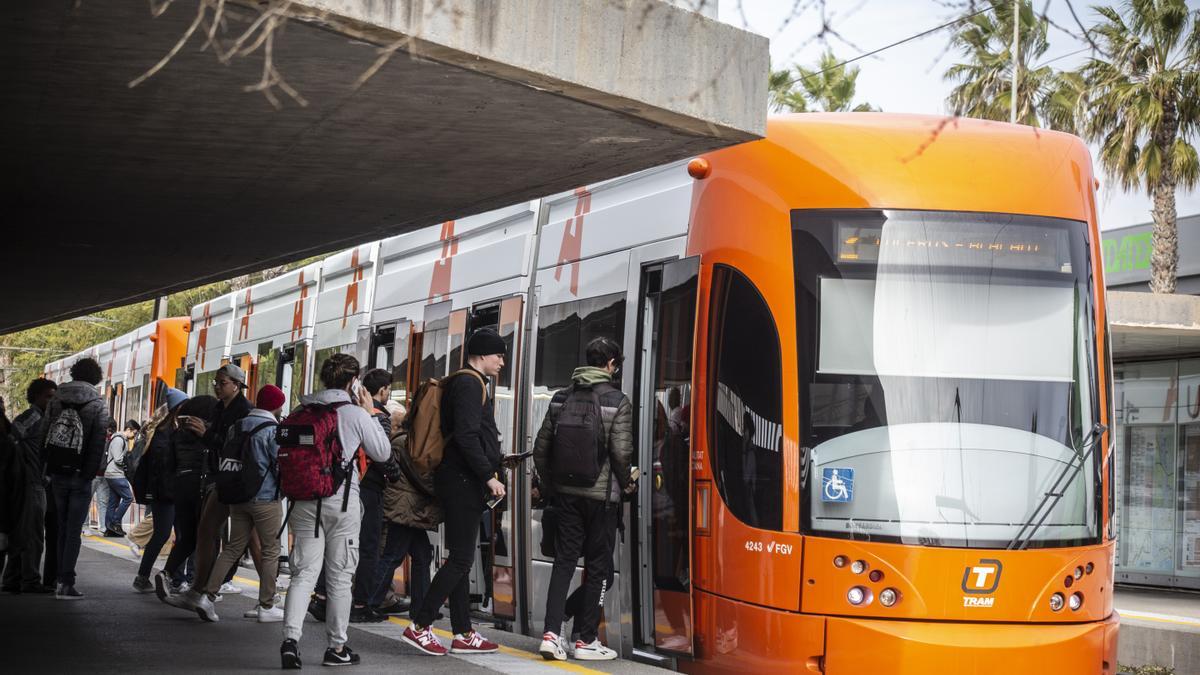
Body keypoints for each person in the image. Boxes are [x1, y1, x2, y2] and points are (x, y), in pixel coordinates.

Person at [280, 354, 391, 669]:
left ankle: (290, 641)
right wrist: (369, 412)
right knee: (340, 577)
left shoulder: (302, 411)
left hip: (304, 501)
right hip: (341, 502)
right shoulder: (355, 414)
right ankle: (337, 647)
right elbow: (382, 452)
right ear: (354, 381)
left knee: (303, 574)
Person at [402, 328, 507, 657]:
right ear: (480, 356)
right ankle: (420, 624)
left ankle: (462, 631)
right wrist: (488, 475)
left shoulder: (470, 383)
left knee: (461, 557)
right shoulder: (468, 384)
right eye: (498, 355)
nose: (502, 362)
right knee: (461, 557)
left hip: (462, 479)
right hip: (462, 481)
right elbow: (466, 435)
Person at [535, 337, 634, 661]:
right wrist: (627, 487)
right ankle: (586, 640)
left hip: (566, 498)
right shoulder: (617, 400)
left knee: (563, 564)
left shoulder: (561, 398)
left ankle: (551, 634)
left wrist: (554, 486)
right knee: (599, 567)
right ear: (611, 365)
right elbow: (620, 453)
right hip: (602, 499)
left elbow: (540, 450)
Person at [181, 385, 287, 623]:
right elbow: (280, 463)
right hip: (265, 498)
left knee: (232, 549)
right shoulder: (272, 429)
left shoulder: (237, 426)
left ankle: (207, 597)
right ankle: (267, 606)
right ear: (277, 406)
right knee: (270, 550)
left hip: (237, 496)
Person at [176, 364, 263, 601]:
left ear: (237, 385)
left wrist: (205, 433)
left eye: (221, 383)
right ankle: (201, 589)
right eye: (215, 382)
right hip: (223, 478)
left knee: (241, 538)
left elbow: (231, 446)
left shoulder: (243, 411)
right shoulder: (219, 408)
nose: (216, 387)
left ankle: (203, 590)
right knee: (214, 532)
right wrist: (199, 431)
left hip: (235, 480)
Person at [36, 357, 111, 600]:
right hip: (80, 474)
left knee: (60, 527)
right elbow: (98, 442)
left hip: (58, 472)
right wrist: (88, 473)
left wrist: (46, 468)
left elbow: (44, 434)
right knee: (72, 530)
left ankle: (58, 578)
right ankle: (66, 582)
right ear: (95, 377)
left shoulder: (56, 399)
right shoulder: (98, 403)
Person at [370, 402, 436, 616]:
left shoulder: (403, 442)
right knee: (393, 555)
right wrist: (440, 491)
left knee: (422, 554)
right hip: (405, 509)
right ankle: (371, 602)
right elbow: (421, 478)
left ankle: (422, 608)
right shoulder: (404, 443)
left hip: (409, 509)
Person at [154, 395, 219, 598]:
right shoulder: (207, 434)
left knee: (187, 538)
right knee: (210, 538)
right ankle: (204, 588)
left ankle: (166, 573)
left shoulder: (177, 434)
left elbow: (169, 465)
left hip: (181, 487)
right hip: (202, 487)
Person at [349, 367, 401, 623]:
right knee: (369, 547)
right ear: (382, 391)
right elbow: (383, 454)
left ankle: (324, 597)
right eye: (388, 390)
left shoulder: (350, 412)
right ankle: (361, 603)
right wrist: (394, 474)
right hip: (369, 488)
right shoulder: (379, 417)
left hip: (351, 486)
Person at [2, 379, 57, 594]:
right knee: (33, 535)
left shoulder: (43, 418)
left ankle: (13, 579)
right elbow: (12, 435)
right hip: (32, 483)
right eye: (47, 396)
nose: (51, 401)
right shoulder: (34, 417)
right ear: (36, 397)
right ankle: (30, 580)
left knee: (23, 533)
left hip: (32, 482)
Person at [132, 387, 189, 593]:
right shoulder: (166, 434)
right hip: (167, 493)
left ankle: (171, 578)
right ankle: (148, 577)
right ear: (177, 408)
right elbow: (165, 467)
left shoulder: (164, 431)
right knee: (165, 534)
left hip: (167, 493)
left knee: (178, 535)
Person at [103, 419, 140, 537]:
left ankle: (109, 528)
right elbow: (118, 459)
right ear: (128, 429)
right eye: (134, 433)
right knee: (129, 497)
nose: (134, 436)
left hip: (112, 474)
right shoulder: (119, 440)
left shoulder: (119, 439)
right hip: (116, 474)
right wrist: (126, 464)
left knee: (113, 502)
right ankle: (115, 522)